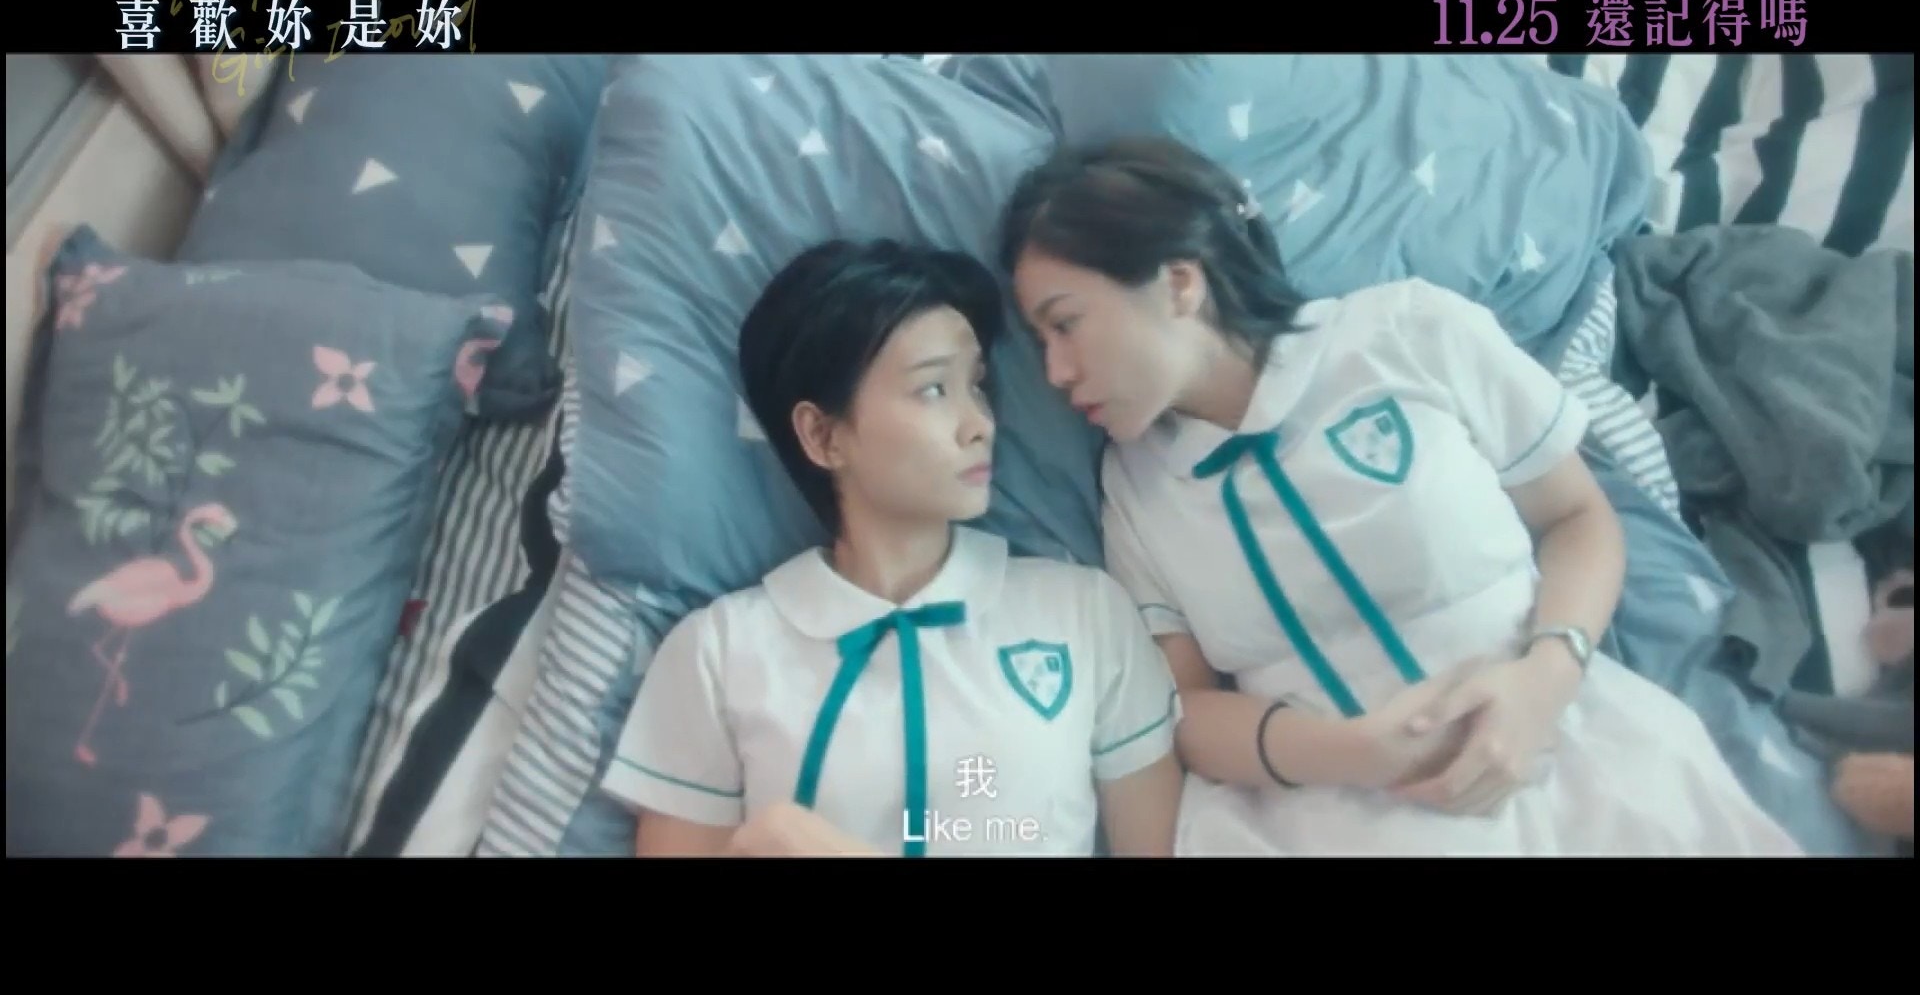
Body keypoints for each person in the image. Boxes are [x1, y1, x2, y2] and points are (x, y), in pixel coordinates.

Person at [999, 135, 1803, 856]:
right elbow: (1185, 709)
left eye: (1065, 324)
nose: (1055, 373)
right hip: (1309, 810)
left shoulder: (1408, 333)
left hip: (1557, 743)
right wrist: (1356, 754)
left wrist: (1545, 681)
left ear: (1178, 283)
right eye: (1038, 343)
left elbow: (1577, 516)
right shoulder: (1137, 484)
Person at [601, 238, 1185, 857]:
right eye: (933, 389)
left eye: (977, 386)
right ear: (823, 436)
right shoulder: (719, 652)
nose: (980, 423)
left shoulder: (1084, 613)